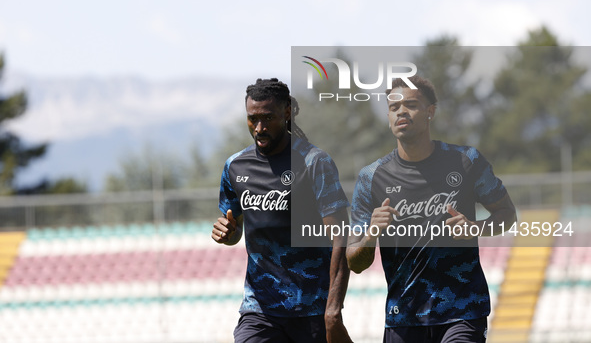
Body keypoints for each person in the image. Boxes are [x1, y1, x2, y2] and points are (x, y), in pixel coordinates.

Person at [346, 75, 517, 343]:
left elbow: (507, 214)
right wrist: (371, 234)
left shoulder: (466, 161)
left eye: (411, 104)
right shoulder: (371, 177)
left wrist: (476, 228)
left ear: (430, 112)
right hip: (403, 317)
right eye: (393, 108)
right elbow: (355, 262)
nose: (401, 111)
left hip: (462, 310)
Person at [212, 78, 352, 343]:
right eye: (252, 119)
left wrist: (333, 310)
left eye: (268, 118)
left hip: (312, 308)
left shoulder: (314, 163)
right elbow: (234, 229)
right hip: (260, 309)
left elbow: (340, 237)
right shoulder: (235, 166)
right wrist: (227, 233)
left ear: (287, 112)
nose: (260, 128)